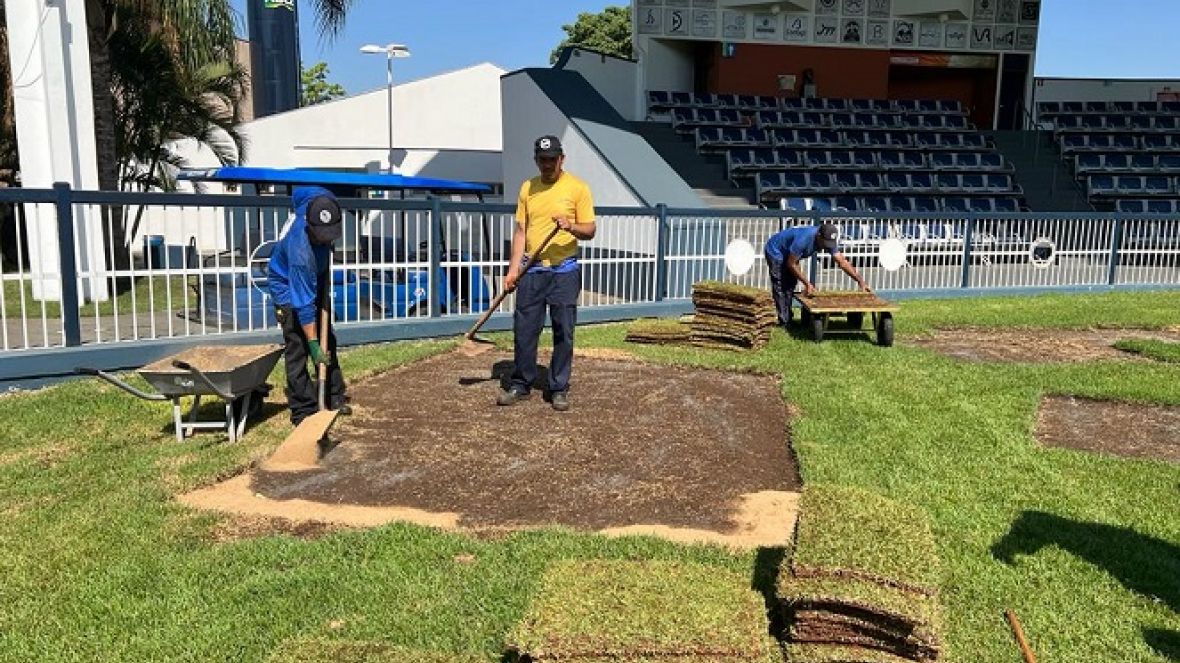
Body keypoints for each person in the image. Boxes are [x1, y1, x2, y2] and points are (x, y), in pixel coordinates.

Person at [497, 135, 596, 411]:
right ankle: (521, 384)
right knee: (525, 330)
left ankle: (558, 387)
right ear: (536, 160)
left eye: (552, 159)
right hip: (532, 270)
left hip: (564, 272)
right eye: (543, 160)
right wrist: (512, 270)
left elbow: (590, 229)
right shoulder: (528, 188)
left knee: (564, 330)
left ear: (561, 159)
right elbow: (520, 232)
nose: (548, 164)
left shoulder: (578, 188)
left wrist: (571, 226)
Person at [268, 186, 350, 425]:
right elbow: (304, 308)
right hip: (286, 286)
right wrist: (314, 344)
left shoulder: (322, 203)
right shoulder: (300, 253)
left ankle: (333, 397)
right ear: (309, 226)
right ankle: (303, 409)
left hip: (318, 273)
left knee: (329, 341)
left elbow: (301, 192)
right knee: (299, 347)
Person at [763, 222, 871, 328]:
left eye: (828, 243)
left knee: (790, 284)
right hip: (775, 250)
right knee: (781, 285)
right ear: (818, 235)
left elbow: (842, 262)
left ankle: (787, 317)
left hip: (790, 253)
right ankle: (784, 322)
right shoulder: (803, 239)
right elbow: (791, 264)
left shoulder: (827, 238)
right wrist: (807, 284)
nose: (826, 246)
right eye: (824, 243)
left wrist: (860, 281)